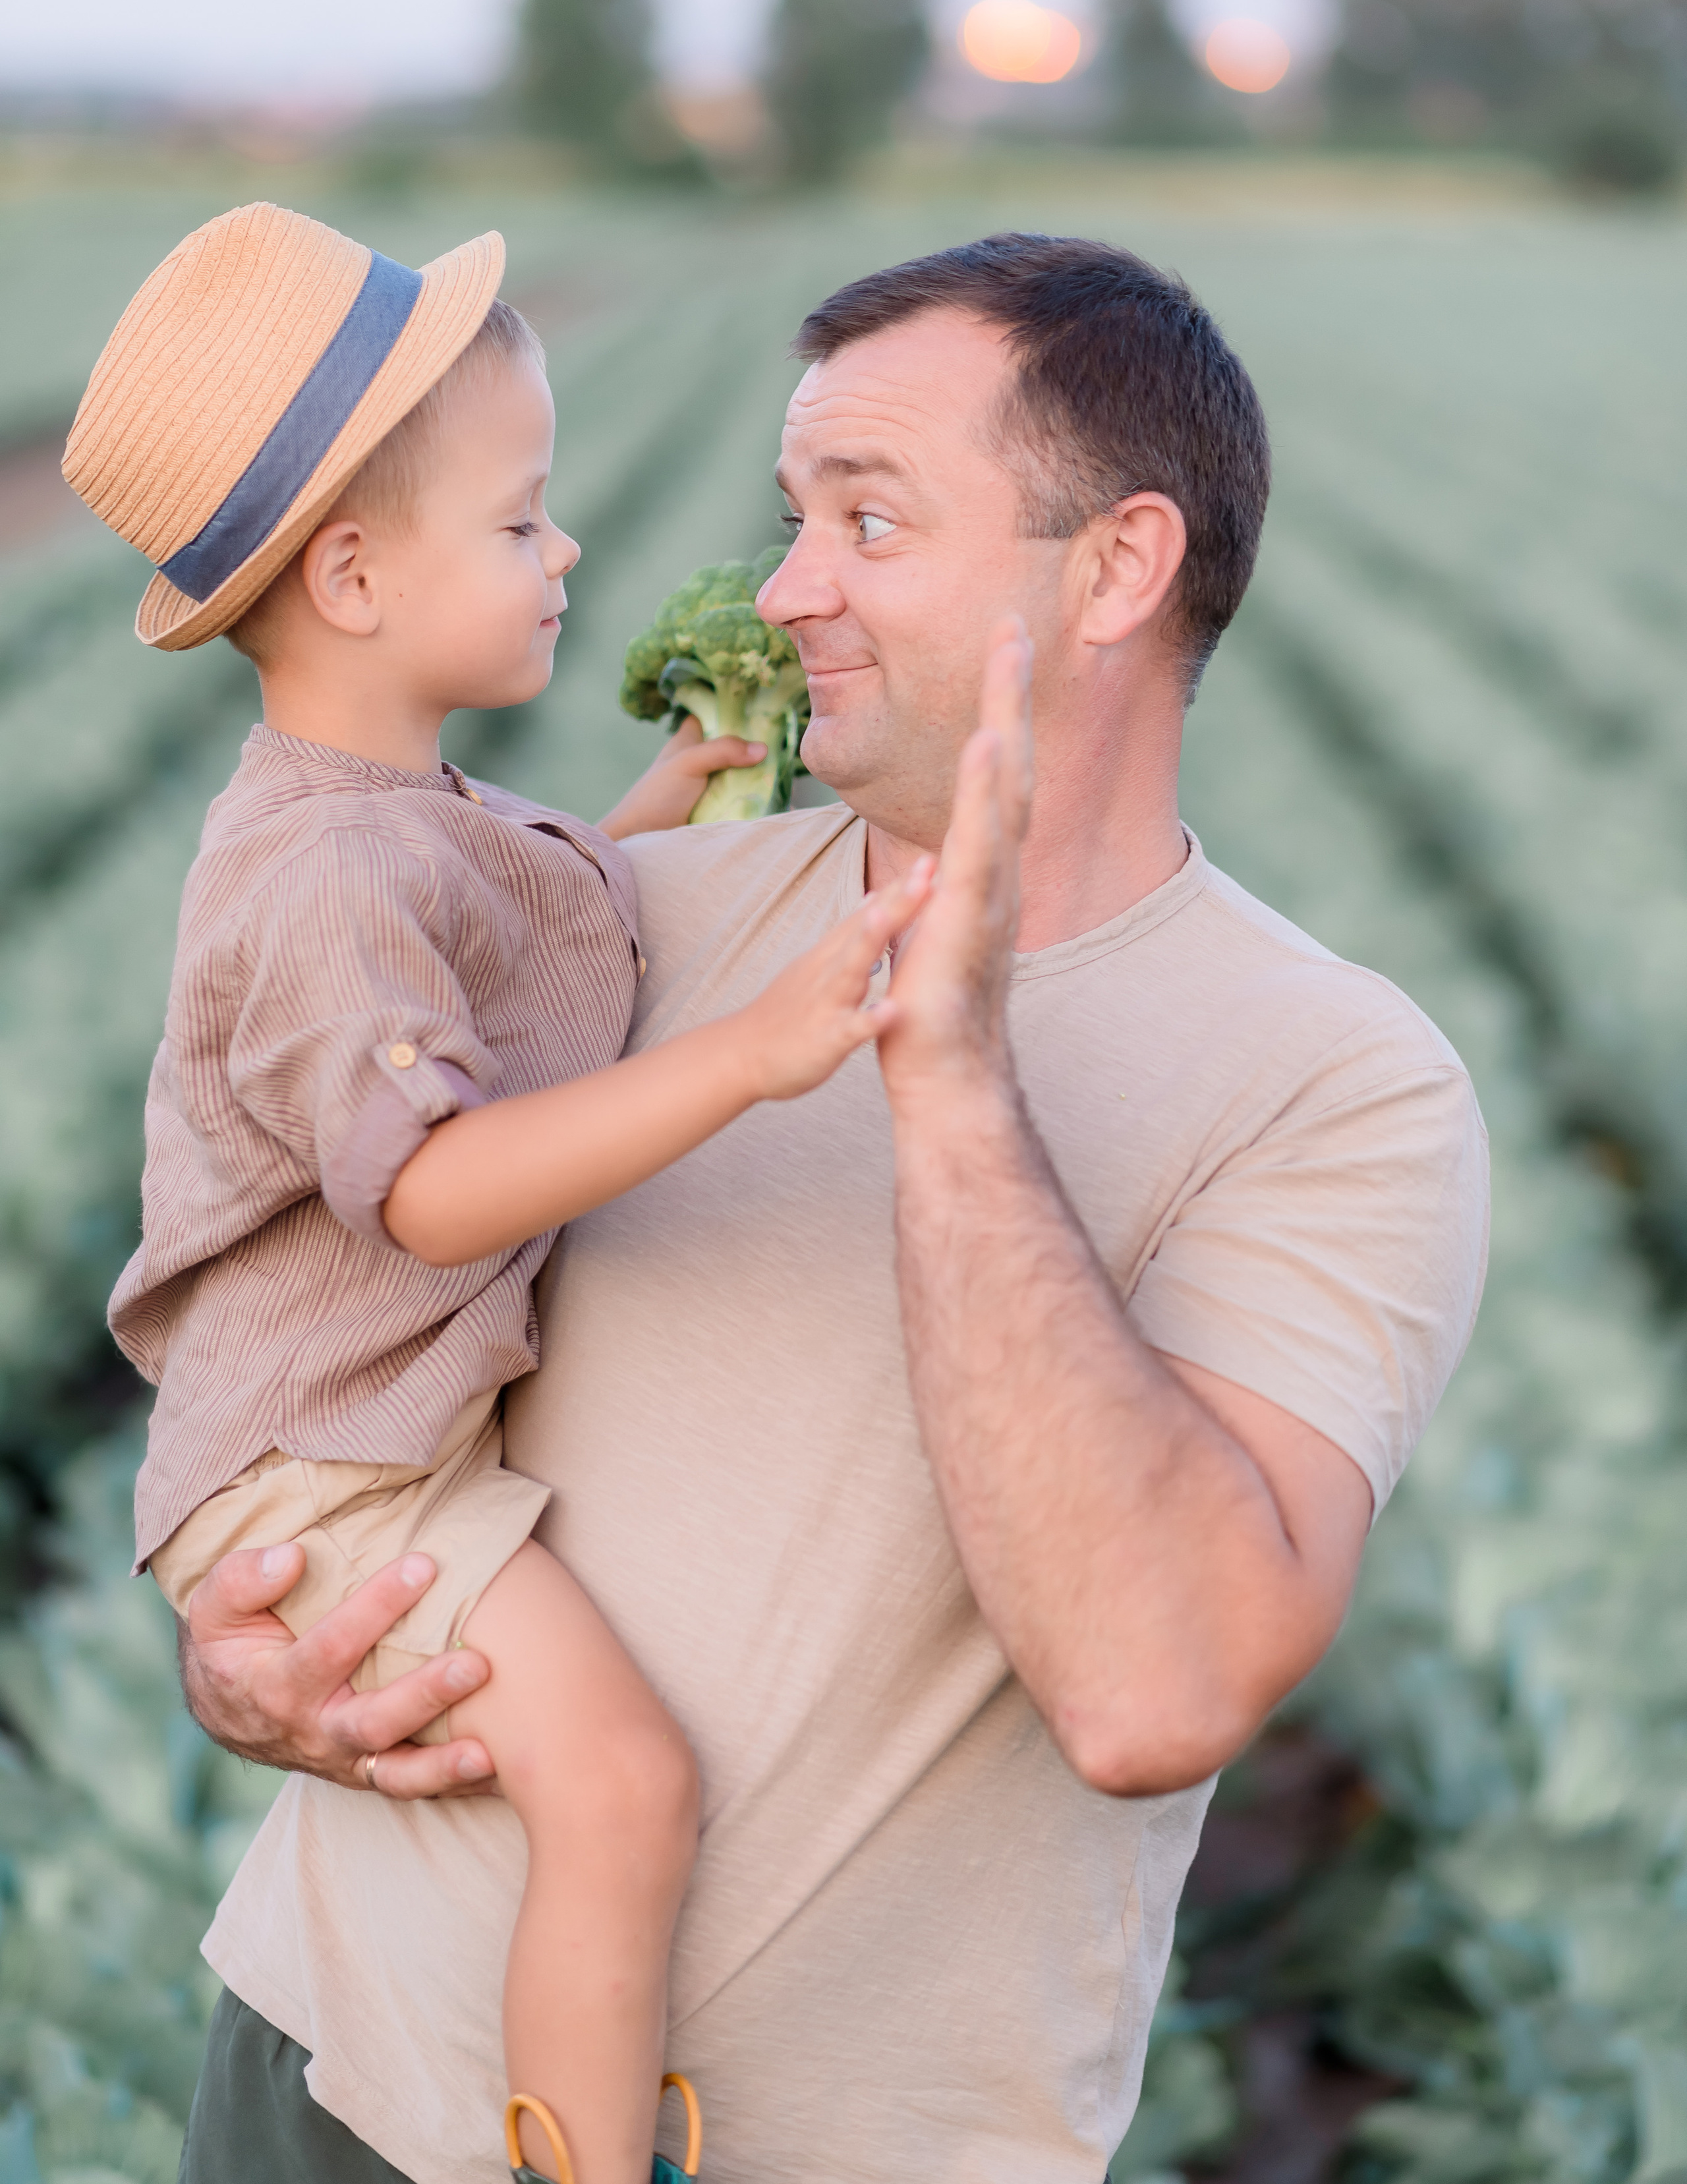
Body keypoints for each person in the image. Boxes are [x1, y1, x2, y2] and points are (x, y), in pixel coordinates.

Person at [173, 234, 1489, 2184]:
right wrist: (246, 1649)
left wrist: (952, 1081)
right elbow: (313, 1297)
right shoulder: (642, 920)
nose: (787, 591)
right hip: (329, 2072)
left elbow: (1156, 1689)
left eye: (867, 520)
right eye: (792, 518)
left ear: (1120, 566)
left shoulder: (1338, 1084)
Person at [62, 202, 934, 2184]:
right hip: (322, 1477)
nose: (567, 553)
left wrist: (672, 801)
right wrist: (750, 1051)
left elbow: (517, 936)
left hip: (353, 1439)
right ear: (355, 575)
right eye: (522, 520)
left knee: (611, 1783)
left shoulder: (393, 817)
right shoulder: (327, 877)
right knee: (622, 1789)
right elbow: (439, 1191)